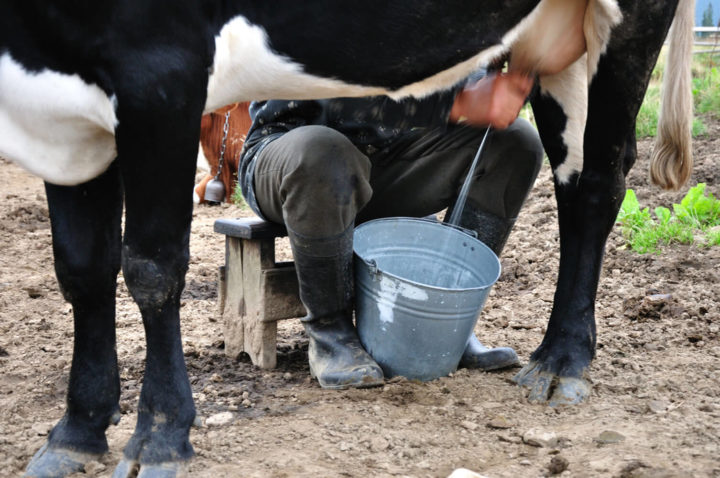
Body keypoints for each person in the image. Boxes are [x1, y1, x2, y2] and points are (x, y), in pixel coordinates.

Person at [237, 68, 543, 389]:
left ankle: (447, 326)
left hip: (387, 153)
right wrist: (455, 102)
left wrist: (498, 85)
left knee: (516, 142)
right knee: (325, 150)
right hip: (292, 153)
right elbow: (336, 94)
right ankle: (331, 332)